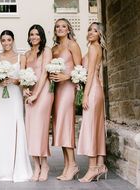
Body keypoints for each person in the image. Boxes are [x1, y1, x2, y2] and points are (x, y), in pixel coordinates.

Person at [0, 30, 32, 182]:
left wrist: (15, 81)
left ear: (13, 40)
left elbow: (23, 79)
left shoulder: (22, 57)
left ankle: (17, 167)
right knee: (0, 130)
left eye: (9, 40)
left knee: (16, 127)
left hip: (14, 95)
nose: (6, 43)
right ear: (1, 42)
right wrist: (0, 81)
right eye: (3, 40)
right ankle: (3, 168)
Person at [50, 18, 82, 181]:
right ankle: (67, 165)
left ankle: (74, 164)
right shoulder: (54, 48)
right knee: (60, 126)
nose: (60, 29)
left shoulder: (73, 45)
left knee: (66, 125)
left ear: (69, 29)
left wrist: (65, 75)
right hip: (56, 90)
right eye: (57, 27)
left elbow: (80, 71)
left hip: (68, 89)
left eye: (63, 26)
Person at [77, 22, 107, 183]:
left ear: (99, 35)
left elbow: (89, 75)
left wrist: (85, 95)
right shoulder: (97, 48)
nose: (91, 32)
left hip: (93, 90)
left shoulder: (93, 48)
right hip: (97, 89)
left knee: (90, 129)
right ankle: (101, 165)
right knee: (97, 128)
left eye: (95, 31)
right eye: (89, 29)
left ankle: (92, 168)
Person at [24, 24, 54, 182]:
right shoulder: (27, 54)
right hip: (30, 94)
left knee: (40, 130)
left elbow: (44, 73)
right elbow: (24, 76)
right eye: (31, 34)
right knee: (31, 130)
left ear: (41, 36)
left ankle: (45, 164)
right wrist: (25, 90)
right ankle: (36, 166)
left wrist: (36, 94)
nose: (34, 37)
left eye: (37, 34)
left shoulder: (46, 50)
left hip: (43, 93)